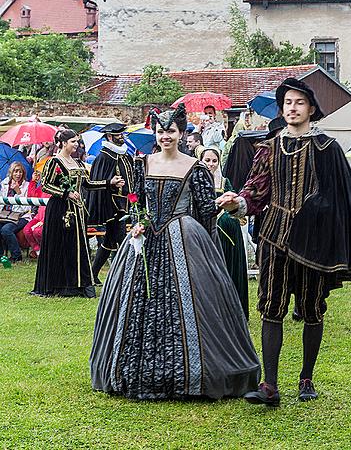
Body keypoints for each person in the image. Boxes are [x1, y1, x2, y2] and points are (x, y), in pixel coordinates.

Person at [217, 77, 351, 406]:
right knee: (271, 309)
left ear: (312, 109)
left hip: (313, 242)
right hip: (274, 238)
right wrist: (238, 202)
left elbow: (339, 197)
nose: (292, 107)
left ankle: (306, 378)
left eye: (299, 102)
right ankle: (270, 385)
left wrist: (319, 215)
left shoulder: (327, 149)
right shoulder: (269, 147)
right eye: (288, 102)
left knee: (312, 310)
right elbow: (255, 190)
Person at [90, 104, 260, 400]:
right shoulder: (143, 163)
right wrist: (137, 222)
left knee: (188, 303)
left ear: (181, 134)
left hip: (183, 238)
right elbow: (137, 204)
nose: (165, 136)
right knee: (135, 301)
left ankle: (188, 371)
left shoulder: (195, 168)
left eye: (170, 131)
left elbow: (206, 210)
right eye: (161, 131)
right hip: (143, 242)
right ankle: (130, 369)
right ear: (155, 134)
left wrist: (224, 204)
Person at [31, 129, 124, 297]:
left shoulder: (78, 163)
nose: (76, 144)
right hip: (59, 210)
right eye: (73, 141)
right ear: (63, 143)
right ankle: (58, 285)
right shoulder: (54, 162)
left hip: (77, 210)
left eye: (77, 141)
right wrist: (66, 193)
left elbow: (87, 184)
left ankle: (77, 285)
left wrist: (109, 183)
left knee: (77, 245)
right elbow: (45, 185)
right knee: (60, 244)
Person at [201, 148, 249, 319]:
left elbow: (234, 204)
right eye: (207, 160)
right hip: (207, 231)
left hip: (228, 230)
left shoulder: (224, 181)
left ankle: (232, 311)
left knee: (229, 267)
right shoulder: (196, 181)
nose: (211, 164)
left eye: (214, 161)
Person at [87, 123, 136, 284]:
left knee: (109, 241)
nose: (122, 137)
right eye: (119, 135)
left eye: (122, 134)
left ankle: (92, 274)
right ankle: (125, 277)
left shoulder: (125, 155)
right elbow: (93, 182)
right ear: (110, 137)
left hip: (125, 204)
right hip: (112, 207)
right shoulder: (103, 157)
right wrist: (111, 182)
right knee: (123, 241)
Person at [0, 162, 32, 263]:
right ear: (11, 172)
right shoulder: (4, 184)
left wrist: (18, 193)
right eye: (15, 171)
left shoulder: (27, 186)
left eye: (20, 172)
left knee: (6, 230)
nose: (18, 174)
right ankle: (1, 256)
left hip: (22, 216)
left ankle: (16, 256)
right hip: (5, 215)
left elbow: (24, 208)